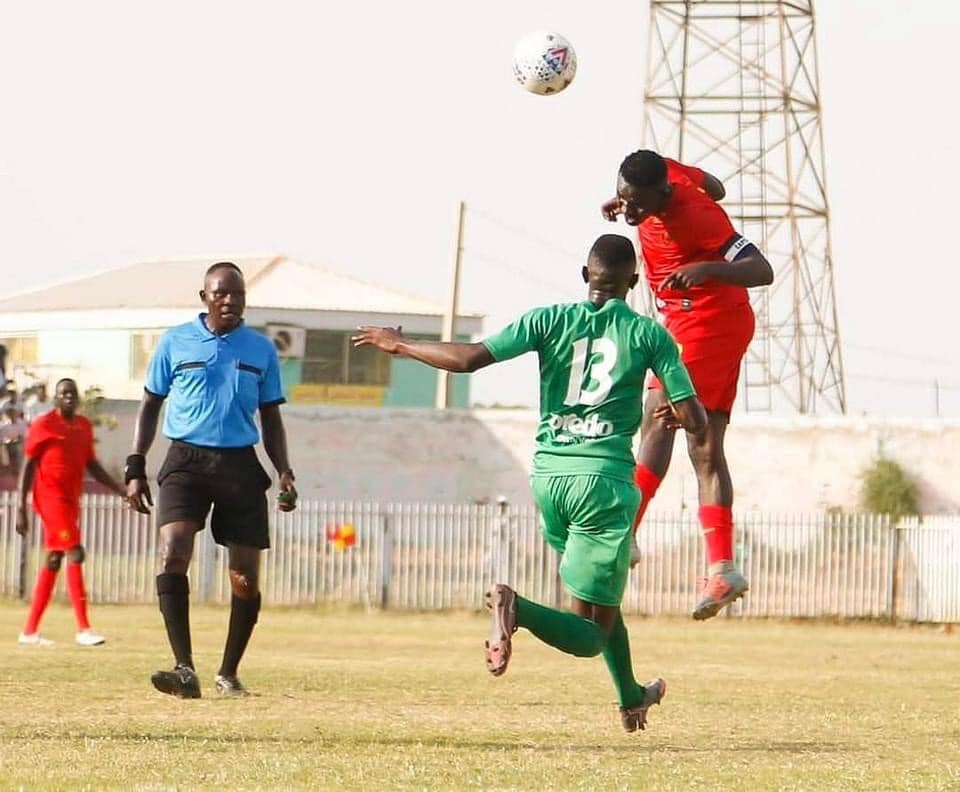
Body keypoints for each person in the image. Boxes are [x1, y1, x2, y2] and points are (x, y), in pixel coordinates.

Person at [353, 234, 707, 732]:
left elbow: (469, 358)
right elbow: (696, 420)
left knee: (601, 601)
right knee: (589, 634)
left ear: (585, 277)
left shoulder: (547, 320)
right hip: (602, 485)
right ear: (634, 281)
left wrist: (401, 345)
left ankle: (631, 697)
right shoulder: (649, 334)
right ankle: (515, 607)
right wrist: (677, 413)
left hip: (549, 480)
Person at [601, 149, 774, 620]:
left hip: (707, 321)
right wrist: (629, 204)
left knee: (659, 418)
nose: (630, 211)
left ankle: (623, 534)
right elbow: (716, 185)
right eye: (623, 198)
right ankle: (723, 569)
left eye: (638, 203)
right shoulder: (664, 176)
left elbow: (761, 269)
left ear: (663, 192)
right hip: (700, 320)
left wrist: (706, 267)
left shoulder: (697, 215)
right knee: (704, 445)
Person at [125, 261, 298, 699]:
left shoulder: (261, 350)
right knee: (173, 551)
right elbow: (150, 404)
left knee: (244, 576)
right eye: (221, 293)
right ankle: (184, 669)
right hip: (185, 459)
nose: (230, 300)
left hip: (240, 463)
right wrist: (135, 465)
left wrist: (283, 470)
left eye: (237, 294)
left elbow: (271, 417)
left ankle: (228, 673)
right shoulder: (175, 341)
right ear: (204, 297)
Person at [16, 378, 128, 646]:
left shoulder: (83, 426)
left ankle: (29, 632)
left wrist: (120, 490)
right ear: (55, 398)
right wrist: (20, 508)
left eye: (72, 393)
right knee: (75, 551)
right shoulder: (44, 424)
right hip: (49, 498)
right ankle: (84, 629)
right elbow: (28, 465)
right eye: (63, 393)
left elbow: (92, 465)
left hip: (70, 500)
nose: (68, 397)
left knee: (55, 558)